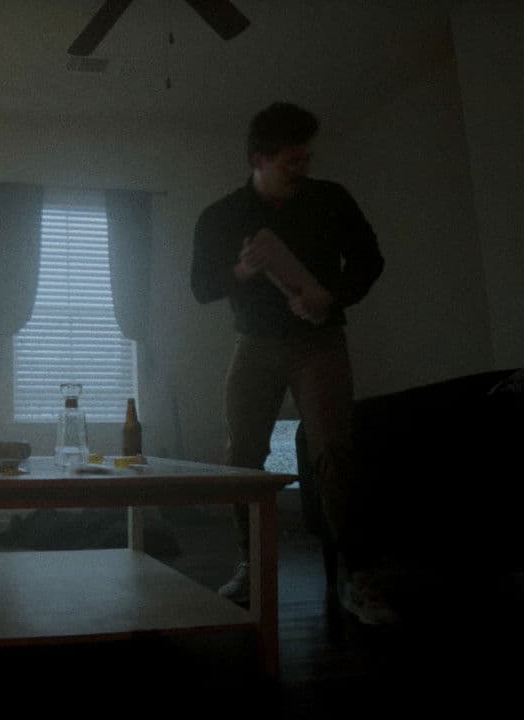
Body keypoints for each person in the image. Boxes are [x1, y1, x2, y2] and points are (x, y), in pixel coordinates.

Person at [190, 102, 391, 624]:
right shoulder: (221, 215)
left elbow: (370, 259)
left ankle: (357, 574)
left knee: (335, 454)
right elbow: (201, 286)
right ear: (258, 159)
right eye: (290, 162)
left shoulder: (330, 199)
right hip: (254, 344)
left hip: (319, 342)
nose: (302, 169)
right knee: (241, 458)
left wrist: (330, 295)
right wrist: (241, 270)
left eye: (306, 158)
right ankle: (251, 565)